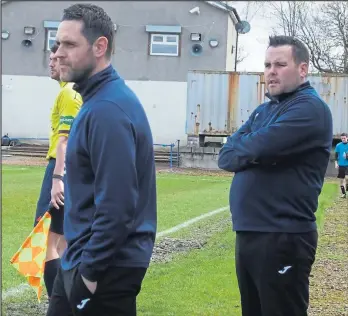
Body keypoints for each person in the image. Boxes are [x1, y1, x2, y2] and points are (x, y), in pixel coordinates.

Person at [46, 4, 157, 316]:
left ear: (100, 46)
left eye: (69, 44)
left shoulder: (109, 109)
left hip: (104, 268)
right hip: (82, 258)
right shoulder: (95, 101)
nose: (58, 53)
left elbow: (118, 205)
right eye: (57, 43)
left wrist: (90, 275)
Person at [218, 35, 333, 316]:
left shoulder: (308, 109)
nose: (271, 71)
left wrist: (250, 149)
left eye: (280, 64)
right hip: (250, 232)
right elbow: (227, 156)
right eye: (267, 64)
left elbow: (255, 146)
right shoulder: (265, 110)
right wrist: (252, 151)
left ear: (302, 69)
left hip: (282, 236)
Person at [33, 43, 82, 301]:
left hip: (60, 169)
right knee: (60, 241)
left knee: (46, 241)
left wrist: (57, 178)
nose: (51, 63)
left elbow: (65, 140)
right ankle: (67, 300)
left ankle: (59, 302)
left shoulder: (70, 93)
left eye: (55, 59)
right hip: (66, 170)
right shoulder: (70, 92)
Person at [335, 132, 348, 198]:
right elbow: (336, 155)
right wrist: (336, 163)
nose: (343, 139)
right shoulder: (338, 145)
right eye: (342, 138)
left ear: (347, 138)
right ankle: (343, 194)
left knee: (347, 178)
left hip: (347, 165)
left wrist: (347, 156)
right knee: (341, 180)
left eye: (344, 138)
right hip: (341, 165)